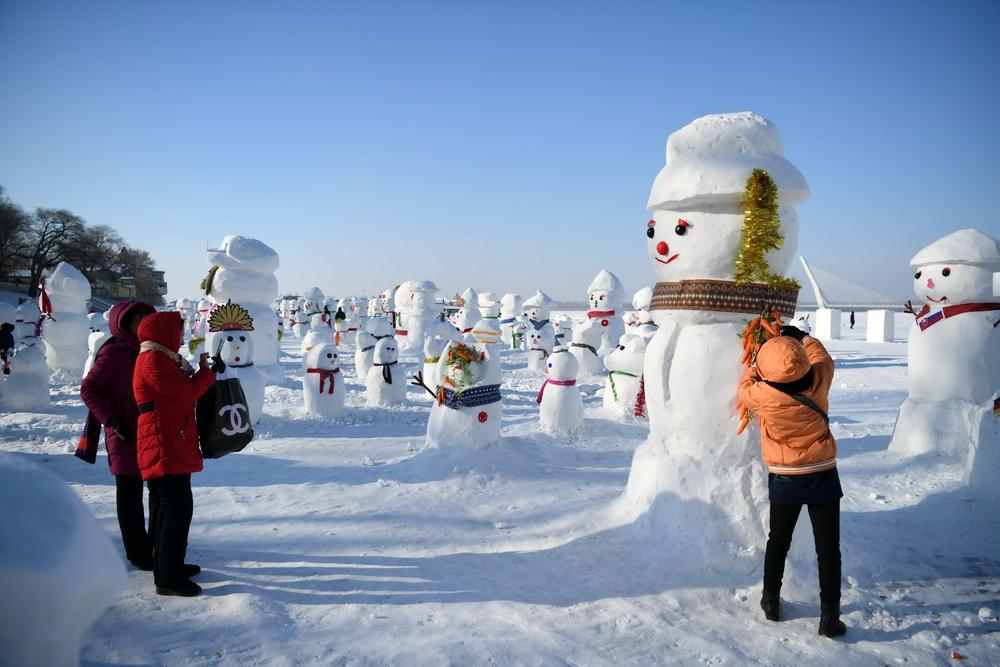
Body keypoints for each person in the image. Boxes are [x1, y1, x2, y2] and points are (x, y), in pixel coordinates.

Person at [738, 325, 846, 638]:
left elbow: (745, 385)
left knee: (778, 541)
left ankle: (770, 600)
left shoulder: (761, 395)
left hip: (785, 478)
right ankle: (830, 617)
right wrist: (803, 338)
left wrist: (758, 361)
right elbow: (822, 357)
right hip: (823, 473)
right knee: (828, 549)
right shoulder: (819, 380)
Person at [133, 311, 216, 597]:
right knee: (175, 511)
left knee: (170, 509)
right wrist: (207, 374)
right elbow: (185, 393)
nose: (181, 338)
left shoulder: (161, 358)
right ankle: (167, 578)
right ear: (164, 333)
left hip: (169, 438)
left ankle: (169, 566)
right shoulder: (153, 360)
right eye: (178, 332)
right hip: (163, 442)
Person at [79, 300, 158, 568]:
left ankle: (158, 546)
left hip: (152, 430)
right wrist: (112, 420)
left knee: (160, 492)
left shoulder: (152, 349)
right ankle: (138, 553)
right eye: (139, 321)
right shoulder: (114, 352)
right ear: (125, 323)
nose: (143, 327)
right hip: (123, 432)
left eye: (147, 321)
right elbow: (89, 389)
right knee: (130, 495)